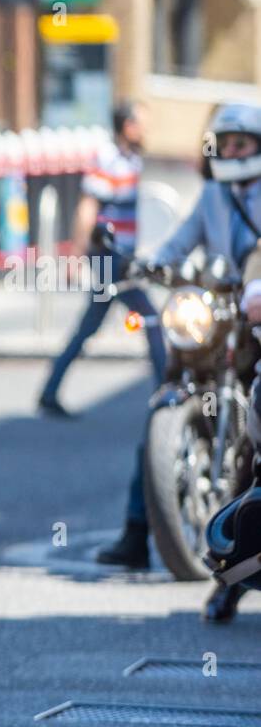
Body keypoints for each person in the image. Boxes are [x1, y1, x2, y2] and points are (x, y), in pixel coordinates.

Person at [97, 103, 261, 624]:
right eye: (225, 144)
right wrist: (149, 262)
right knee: (165, 398)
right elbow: (179, 240)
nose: (232, 153)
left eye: (242, 144)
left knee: (254, 440)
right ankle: (136, 526)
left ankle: (230, 577)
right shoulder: (212, 194)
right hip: (213, 309)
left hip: (255, 317)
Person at [39, 100, 162, 418]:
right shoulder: (107, 159)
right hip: (109, 258)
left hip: (121, 257)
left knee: (91, 325)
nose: (146, 129)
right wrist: (75, 257)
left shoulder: (131, 159)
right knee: (152, 319)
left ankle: (49, 391)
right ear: (127, 126)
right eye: (142, 123)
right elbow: (87, 209)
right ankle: (165, 391)